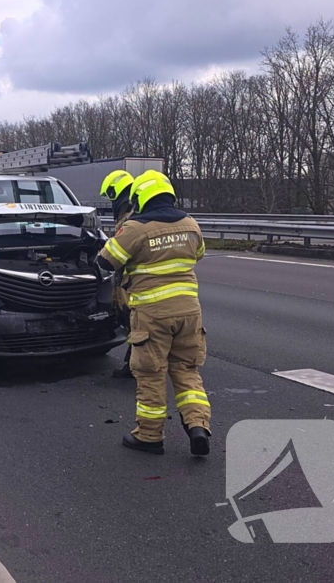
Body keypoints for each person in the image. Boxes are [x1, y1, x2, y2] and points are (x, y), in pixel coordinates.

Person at [96, 170, 211, 456]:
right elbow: (198, 254)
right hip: (189, 311)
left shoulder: (135, 228)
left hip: (152, 313)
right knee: (186, 371)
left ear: (140, 197)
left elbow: (106, 261)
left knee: (151, 374)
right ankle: (198, 426)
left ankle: (149, 436)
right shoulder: (190, 223)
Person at [99, 170, 135, 379]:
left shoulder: (130, 221)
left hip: (135, 285)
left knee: (135, 324)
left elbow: (112, 259)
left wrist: (101, 257)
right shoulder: (137, 211)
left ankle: (134, 366)